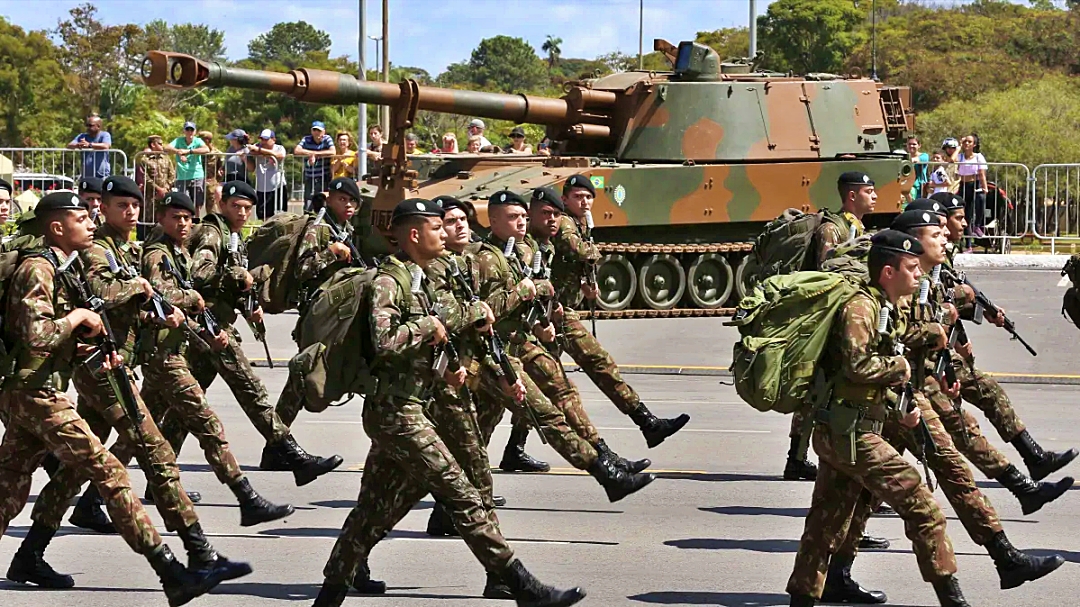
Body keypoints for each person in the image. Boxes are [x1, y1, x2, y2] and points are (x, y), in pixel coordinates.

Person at [309, 197, 586, 607]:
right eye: (437, 228)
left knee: (376, 510)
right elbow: (386, 341)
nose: (446, 233)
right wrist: (429, 326)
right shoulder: (390, 280)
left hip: (411, 405)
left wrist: (445, 366)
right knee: (462, 493)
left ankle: (329, 594)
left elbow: (420, 345)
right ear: (416, 235)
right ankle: (522, 586)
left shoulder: (419, 279)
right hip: (395, 412)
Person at [12, 177, 252, 590]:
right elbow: (66, 318)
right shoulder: (79, 255)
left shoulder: (86, 256)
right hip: (69, 383)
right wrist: (123, 297)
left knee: (41, 477)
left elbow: (92, 311)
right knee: (144, 455)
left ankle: (31, 553)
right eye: (84, 214)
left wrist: (147, 316)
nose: (90, 221)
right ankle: (193, 557)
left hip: (91, 370)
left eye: (134, 205)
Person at [786, 229, 966, 607]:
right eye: (911, 268)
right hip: (848, 431)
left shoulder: (885, 306)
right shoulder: (862, 308)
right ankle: (953, 600)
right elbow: (857, 365)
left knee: (824, 522)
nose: (918, 275)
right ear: (888, 272)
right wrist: (899, 367)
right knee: (922, 504)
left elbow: (889, 352)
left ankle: (802, 600)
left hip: (845, 427)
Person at [119, 188, 295, 529]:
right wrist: (192, 299)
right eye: (176, 217)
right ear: (162, 219)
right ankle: (246, 497)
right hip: (163, 354)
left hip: (173, 350)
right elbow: (157, 293)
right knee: (208, 426)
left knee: (139, 431)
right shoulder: (159, 253)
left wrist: (207, 329)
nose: (183, 223)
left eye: (187, 218)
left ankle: (95, 498)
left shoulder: (178, 252)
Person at [175, 180, 342, 487]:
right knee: (252, 393)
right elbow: (201, 273)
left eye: (247, 209)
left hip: (212, 327)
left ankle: (155, 477)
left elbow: (226, 283)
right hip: (210, 327)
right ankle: (292, 455)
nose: (241, 213)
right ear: (222, 204)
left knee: (183, 408)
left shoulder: (232, 236)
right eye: (236, 206)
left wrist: (246, 302)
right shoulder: (214, 233)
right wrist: (239, 276)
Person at [544, 177, 690, 451]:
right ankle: (647, 422)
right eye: (577, 196)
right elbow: (575, 249)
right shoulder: (565, 222)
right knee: (599, 363)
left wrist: (587, 284)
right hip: (558, 313)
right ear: (565, 200)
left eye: (588, 197)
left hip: (561, 310)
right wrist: (595, 252)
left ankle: (515, 446)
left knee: (544, 381)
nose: (584, 202)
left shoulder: (582, 223)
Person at [164, 121, 209, 212]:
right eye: (187, 129)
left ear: (195, 131)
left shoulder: (198, 141)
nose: (189, 132)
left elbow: (206, 149)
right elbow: (166, 147)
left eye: (191, 129)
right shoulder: (178, 140)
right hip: (182, 177)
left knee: (197, 203)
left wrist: (189, 151)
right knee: (184, 202)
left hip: (197, 175)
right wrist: (178, 151)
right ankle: (187, 220)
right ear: (184, 131)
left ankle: (195, 221)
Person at [247, 129, 287, 219]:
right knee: (262, 215)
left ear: (273, 140)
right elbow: (252, 152)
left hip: (277, 186)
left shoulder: (279, 148)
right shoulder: (257, 146)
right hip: (262, 187)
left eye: (266, 139)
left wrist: (260, 151)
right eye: (262, 139)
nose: (263, 142)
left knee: (279, 215)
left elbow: (280, 156)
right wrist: (260, 151)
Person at [294, 120, 335, 206]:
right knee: (308, 201)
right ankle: (308, 218)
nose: (316, 133)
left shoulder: (327, 138)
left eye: (319, 130)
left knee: (321, 201)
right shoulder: (306, 139)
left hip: (323, 176)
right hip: (309, 176)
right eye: (314, 130)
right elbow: (297, 150)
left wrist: (315, 154)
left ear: (323, 131)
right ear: (311, 131)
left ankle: (321, 218)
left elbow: (332, 152)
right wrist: (311, 153)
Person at [135, 135, 175, 220]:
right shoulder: (144, 159)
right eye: (160, 144)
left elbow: (172, 174)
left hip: (165, 193)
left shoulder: (166, 158)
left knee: (165, 217)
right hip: (151, 196)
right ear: (153, 145)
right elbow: (145, 177)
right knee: (150, 219)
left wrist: (165, 188)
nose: (162, 146)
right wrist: (158, 189)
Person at [958, 134, 989, 240]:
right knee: (966, 214)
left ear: (974, 144)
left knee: (980, 200)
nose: (966, 143)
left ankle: (977, 226)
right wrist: (958, 146)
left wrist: (985, 187)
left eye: (969, 142)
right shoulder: (960, 156)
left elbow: (981, 173)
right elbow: (952, 160)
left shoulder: (978, 157)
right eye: (965, 141)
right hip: (963, 185)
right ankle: (968, 244)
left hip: (975, 184)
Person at [200, 130, 222, 214]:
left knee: (212, 206)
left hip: (211, 182)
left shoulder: (217, 153)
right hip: (197, 181)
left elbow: (221, 167)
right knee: (196, 204)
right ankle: (195, 223)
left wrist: (217, 181)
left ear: (207, 140)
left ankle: (212, 223)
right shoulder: (197, 152)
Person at [906, 136, 930, 201]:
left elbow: (916, 160)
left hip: (919, 188)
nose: (911, 146)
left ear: (919, 145)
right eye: (909, 144)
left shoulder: (924, 156)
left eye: (914, 144)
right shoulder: (905, 156)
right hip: (907, 187)